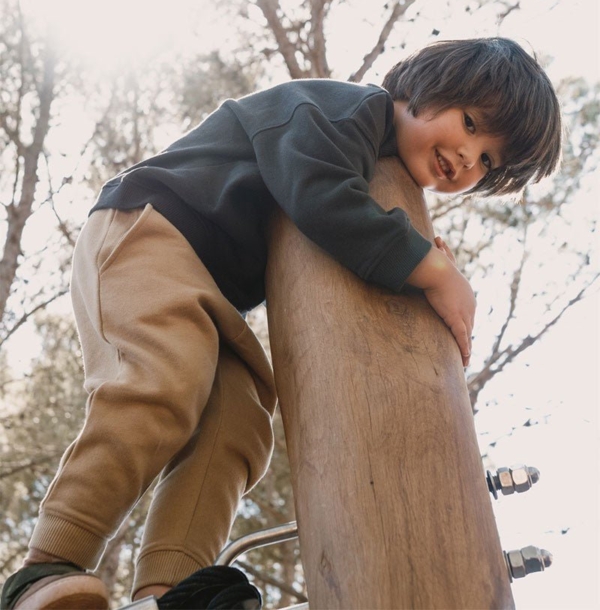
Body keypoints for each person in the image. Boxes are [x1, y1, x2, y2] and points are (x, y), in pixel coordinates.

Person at [1, 37, 562, 610]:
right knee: (162, 380)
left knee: (240, 424)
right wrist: (432, 269)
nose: (469, 157)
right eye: (470, 123)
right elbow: (320, 198)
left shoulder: (374, 159)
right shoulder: (341, 109)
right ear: (424, 86)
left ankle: (168, 592)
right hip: (150, 229)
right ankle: (48, 567)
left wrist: (415, 254)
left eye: (488, 160)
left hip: (208, 288)